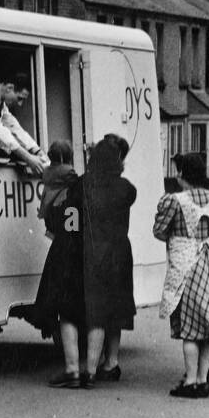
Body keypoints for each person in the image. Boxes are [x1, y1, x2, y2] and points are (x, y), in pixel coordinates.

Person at [153, 152, 209, 398]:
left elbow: (159, 231)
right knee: (208, 327)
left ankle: (189, 381)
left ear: (182, 174)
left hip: (185, 266)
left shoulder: (174, 201)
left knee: (188, 327)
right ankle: (201, 379)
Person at [25, 141, 89, 387]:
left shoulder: (49, 182)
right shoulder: (75, 185)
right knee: (77, 309)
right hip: (77, 249)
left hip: (59, 250)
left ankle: (70, 365)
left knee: (61, 308)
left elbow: (51, 225)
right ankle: (86, 368)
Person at [83, 134, 136, 382]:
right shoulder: (126, 189)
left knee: (96, 312)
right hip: (120, 252)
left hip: (94, 251)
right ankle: (111, 363)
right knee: (115, 310)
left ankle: (90, 370)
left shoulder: (83, 185)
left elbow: (72, 218)